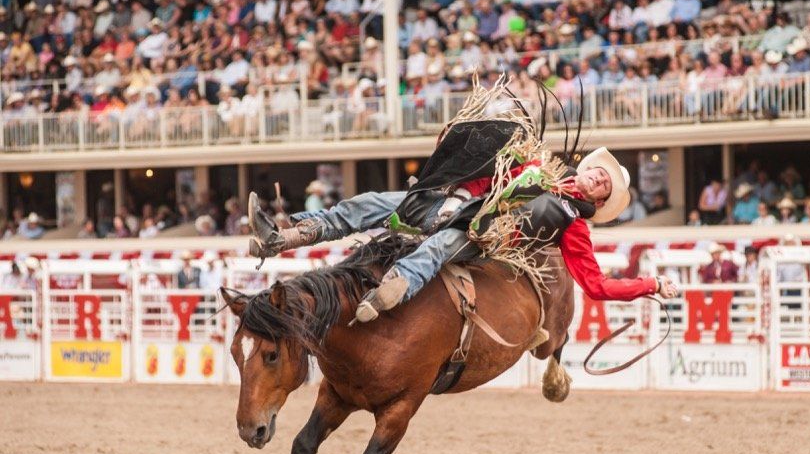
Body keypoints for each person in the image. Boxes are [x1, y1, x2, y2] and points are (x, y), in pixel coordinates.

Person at [250, 133, 679, 324]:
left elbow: (598, 286)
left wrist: (651, 284)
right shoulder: (539, 166)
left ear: (600, 201)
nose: (598, 179)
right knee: (371, 204)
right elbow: (485, 169)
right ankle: (285, 236)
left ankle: (386, 296)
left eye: (605, 185)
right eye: (600, 174)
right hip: (453, 202)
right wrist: (456, 191)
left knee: (436, 249)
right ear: (588, 170)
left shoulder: (575, 227)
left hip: (481, 235)